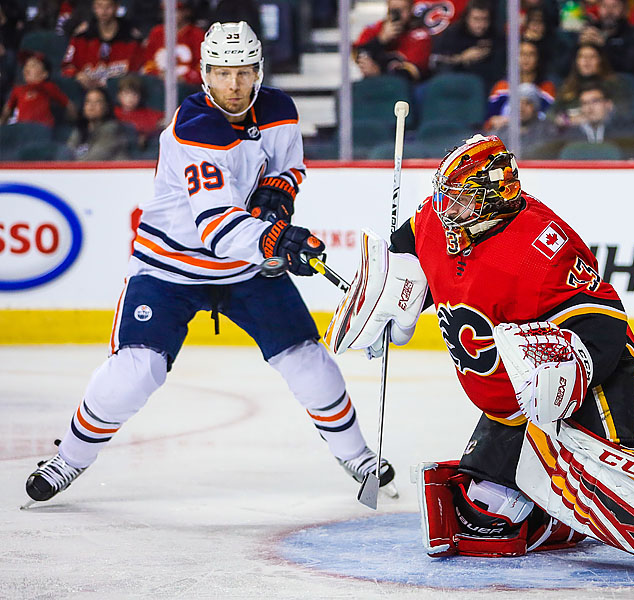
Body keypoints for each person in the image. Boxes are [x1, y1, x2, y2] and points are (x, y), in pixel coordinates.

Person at [327, 133, 634, 585]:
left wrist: (555, 382)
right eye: (444, 200)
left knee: (602, 477)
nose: (447, 213)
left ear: (492, 198)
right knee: (482, 516)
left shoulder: (537, 249)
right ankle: (563, 515)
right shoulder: (438, 220)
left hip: (598, 381)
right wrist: (395, 294)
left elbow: (604, 325)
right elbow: (412, 247)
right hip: (514, 401)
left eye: (461, 202)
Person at [25, 21, 396, 506]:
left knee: (307, 357)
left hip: (245, 271)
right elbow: (217, 229)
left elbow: (288, 170)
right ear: (205, 74)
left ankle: (356, 455)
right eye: (223, 73)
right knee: (137, 371)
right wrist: (280, 239)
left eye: (244, 73)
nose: (234, 85)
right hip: (169, 269)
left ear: (258, 71)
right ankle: (68, 459)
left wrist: (275, 201)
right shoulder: (195, 128)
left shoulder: (279, 109)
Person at [61, 0, 142, 89]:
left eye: (108, 7)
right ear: (94, 7)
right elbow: (66, 68)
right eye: (99, 6)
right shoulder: (81, 38)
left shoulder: (132, 39)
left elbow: (140, 72)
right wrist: (77, 75)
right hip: (88, 94)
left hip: (121, 95)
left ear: (116, 7)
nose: (103, 11)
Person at [353, 0, 432, 82]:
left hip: (406, 88)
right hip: (374, 84)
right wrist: (381, 39)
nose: (398, 14)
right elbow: (358, 53)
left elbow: (414, 72)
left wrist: (379, 73)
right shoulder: (375, 29)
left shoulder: (420, 34)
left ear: (411, 10)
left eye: (402, 9)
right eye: (394, 9)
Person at [429, 0, 501, 88]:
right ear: (467, 18)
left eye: (485, 19)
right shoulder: (453, 33)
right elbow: (437, 62)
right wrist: (462, 58)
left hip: (486, 84)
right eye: (476, 19)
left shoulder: (496, 36)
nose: (481, 25)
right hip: (454, 83)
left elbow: (500, 68)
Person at [1, 52, 76, 127]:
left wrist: (70, 120)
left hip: (41, 129)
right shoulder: (18, 89)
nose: (27, 67)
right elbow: (7, 109)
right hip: (22, 129)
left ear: (44, 74)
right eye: (26, 65)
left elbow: (68, 104)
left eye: (33, 65)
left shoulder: (48, 87)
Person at [141, 0, 204, 86]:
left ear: (186, 12)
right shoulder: (156, 33)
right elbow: (148, 64)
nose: (169, 14)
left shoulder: (197, 34)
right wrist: (158, 75)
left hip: (188, 87)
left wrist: (185, 78)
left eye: (175, 11)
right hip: (159, 85)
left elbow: (202, 68)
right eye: (165, 11)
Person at [67, 87, 130, 160]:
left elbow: (95, 157)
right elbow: (68, 152)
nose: (91, 106)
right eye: (88, 102)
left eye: (97, 102)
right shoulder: (80, 129)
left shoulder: (112, 129)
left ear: (106, 107)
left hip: (114, 170)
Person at [113, 73, 164, 148]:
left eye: (134, 94)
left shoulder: (147, 113)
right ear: (119, 96)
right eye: (126, 93)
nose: (130, 98)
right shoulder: (113, 112)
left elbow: (162, 120)